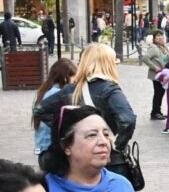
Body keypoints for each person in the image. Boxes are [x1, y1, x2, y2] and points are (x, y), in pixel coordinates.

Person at [34, 43, 137, 181]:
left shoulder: (70, 90)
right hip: (107, 160)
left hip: (77, 158)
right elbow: (127, 120)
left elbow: (39, 109)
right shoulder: (110, 89)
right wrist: (117, 145)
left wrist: (67, 128)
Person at [32, 58, 77, 161]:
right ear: (66, 77)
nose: (75, 80)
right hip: (52, 147)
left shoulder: (43, 91)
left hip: (42, 146)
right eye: (73, 76)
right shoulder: (58, 94)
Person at [141, 30, 169, 120]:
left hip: (164, 74)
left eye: (161, 35)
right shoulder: (153, 48)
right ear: (154, 38)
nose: (160, 37)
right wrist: (154, 67)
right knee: (158, 93)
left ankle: (158, 111)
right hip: (157, 75)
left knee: (161, 92)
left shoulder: (163, 47)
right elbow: (145, 58)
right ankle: (154, 113)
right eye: (158, 36)